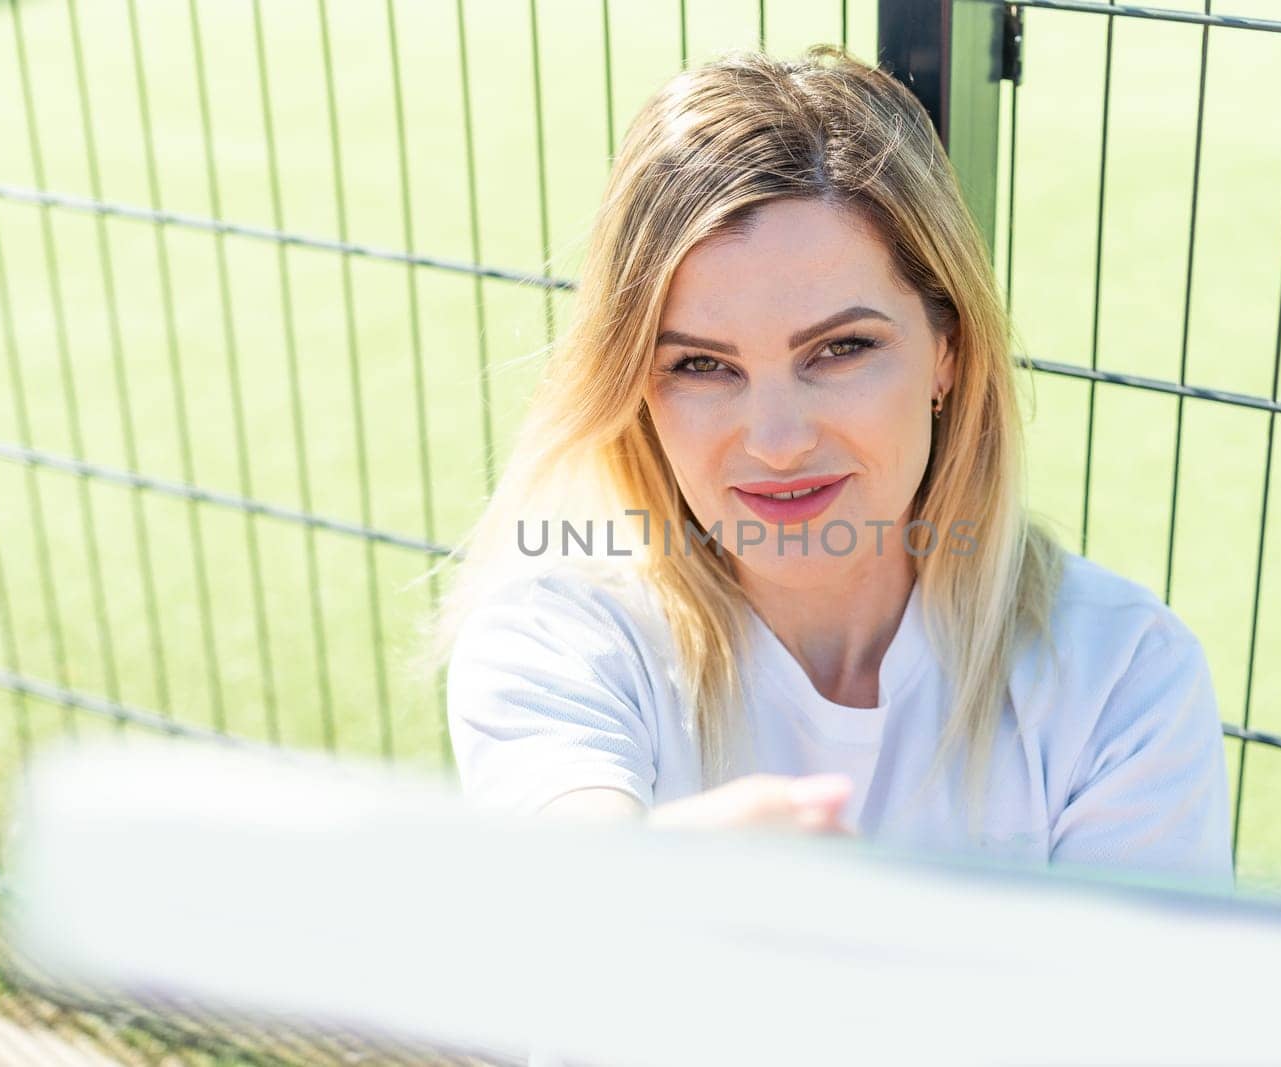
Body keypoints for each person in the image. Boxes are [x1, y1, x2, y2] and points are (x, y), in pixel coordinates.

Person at [426, 45, 1233, 897]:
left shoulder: (1122, 675)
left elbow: (1139, 1021)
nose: (776, 440)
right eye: (701, 365)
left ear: (947, 354)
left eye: (841, 349)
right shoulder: (559, 638)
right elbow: (567, 875)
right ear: (636, 388)